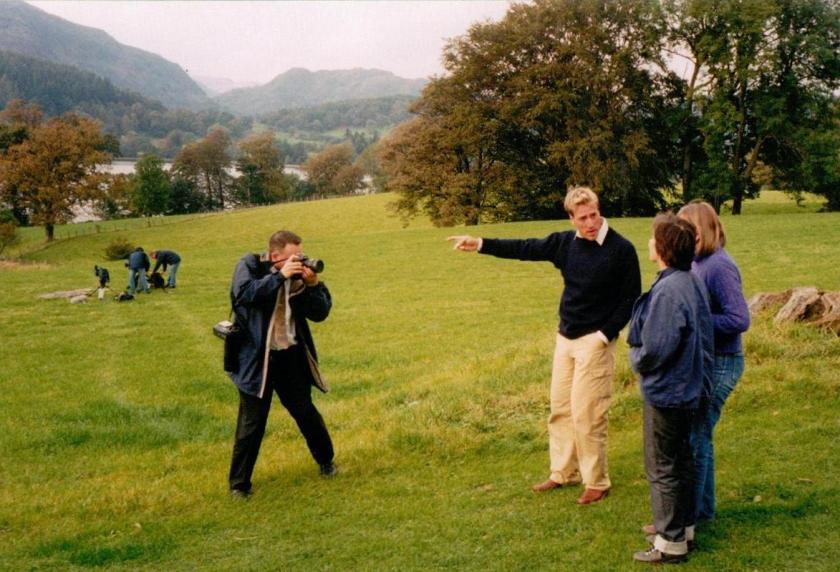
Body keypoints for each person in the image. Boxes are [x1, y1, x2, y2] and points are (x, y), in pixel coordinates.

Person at [448, 186, 641, 505]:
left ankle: (597, 481)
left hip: (596, 343)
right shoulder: (565, 244)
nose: (591, 223)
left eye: (594, 215)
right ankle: (563, 472)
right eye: (583, 218)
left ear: (598, 210)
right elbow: (526, 247)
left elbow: (631, 299)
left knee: (588, 414)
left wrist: (604, 336)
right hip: (565, 338)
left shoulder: (622, 249)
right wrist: (479, 244)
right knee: (561, 410)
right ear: (571, 219)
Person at [628, 214, 713, 564]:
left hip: (668, 392)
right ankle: (684, 528)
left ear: (662, 248)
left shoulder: (669, 290)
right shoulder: (689, 281)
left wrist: (636, 356)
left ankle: (669, 543)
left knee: (662, 466)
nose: (649, 243)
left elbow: (655, 349)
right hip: (690, 387)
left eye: (652, 238)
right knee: (683, 461)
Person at [227, 230, 335, 499]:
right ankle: (239, 485)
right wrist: (279, 276)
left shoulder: (299, 275)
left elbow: (320, 313)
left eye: (301, 256)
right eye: (293, 257)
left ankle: (326, 462)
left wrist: (313, 285)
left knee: (306, 412)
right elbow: (244, 295)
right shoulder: (249, 265)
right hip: (257, 360)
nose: (299, 261)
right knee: (252, 423)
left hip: (291, 356)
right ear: (275, 256)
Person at [678, 201, 750, 523]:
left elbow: (739, 318)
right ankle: (702, 512)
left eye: (684, 229)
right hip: (709, 360)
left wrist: (698, 320)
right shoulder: (697, 263)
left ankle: (691, 517)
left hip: (723, 361)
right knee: (699, 436)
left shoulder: (718, 265)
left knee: (697, 436)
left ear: (700, 230)